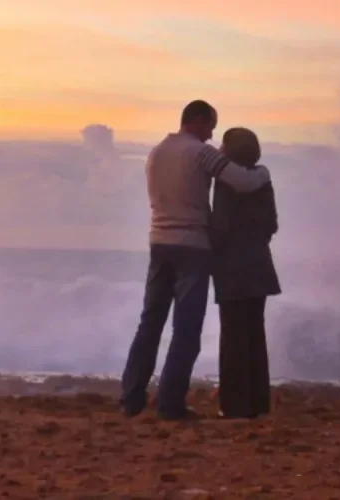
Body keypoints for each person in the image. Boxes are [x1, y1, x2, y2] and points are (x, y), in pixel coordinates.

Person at [120, 100, 272, 420]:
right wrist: (264, 174)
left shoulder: (156, 152)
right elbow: (242, 182)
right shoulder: (200, 153)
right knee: (186, 329)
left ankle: (131, 397)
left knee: (150, 323)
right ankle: (170, 402)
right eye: (210, 127)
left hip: (159, 242)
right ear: (199, 121)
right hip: (192, 246)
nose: (211, 136)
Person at [210, 127, 281, 419]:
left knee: (233, 336)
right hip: (259, 264)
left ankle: (234, 405)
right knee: (254, 333)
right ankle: (258, 402)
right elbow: (272, 224)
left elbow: (221, 226)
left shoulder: (226, 184)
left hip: (232, 266)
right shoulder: (264, 180)